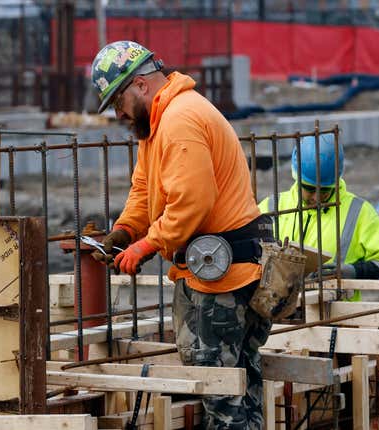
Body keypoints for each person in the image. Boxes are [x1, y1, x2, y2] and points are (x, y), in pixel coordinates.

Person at [90, 40, 273, 429]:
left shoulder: (180, 120)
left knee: (220, 390)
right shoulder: (157, 125)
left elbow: (193, 202)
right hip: (218, 272)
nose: (119, 114)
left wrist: (148, 243)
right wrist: (125, 230)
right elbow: (144, 190)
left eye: (118, 102)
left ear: (140, 85)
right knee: (239, 386)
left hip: (221, 281)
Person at [258, 134, 379, 300]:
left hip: (337, 318)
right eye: (310, 188)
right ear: (296, 176)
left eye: (324, 190)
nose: (317, 198)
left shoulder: (359, 212)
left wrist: (353, 271)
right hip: (277, 317)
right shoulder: (271, 207)